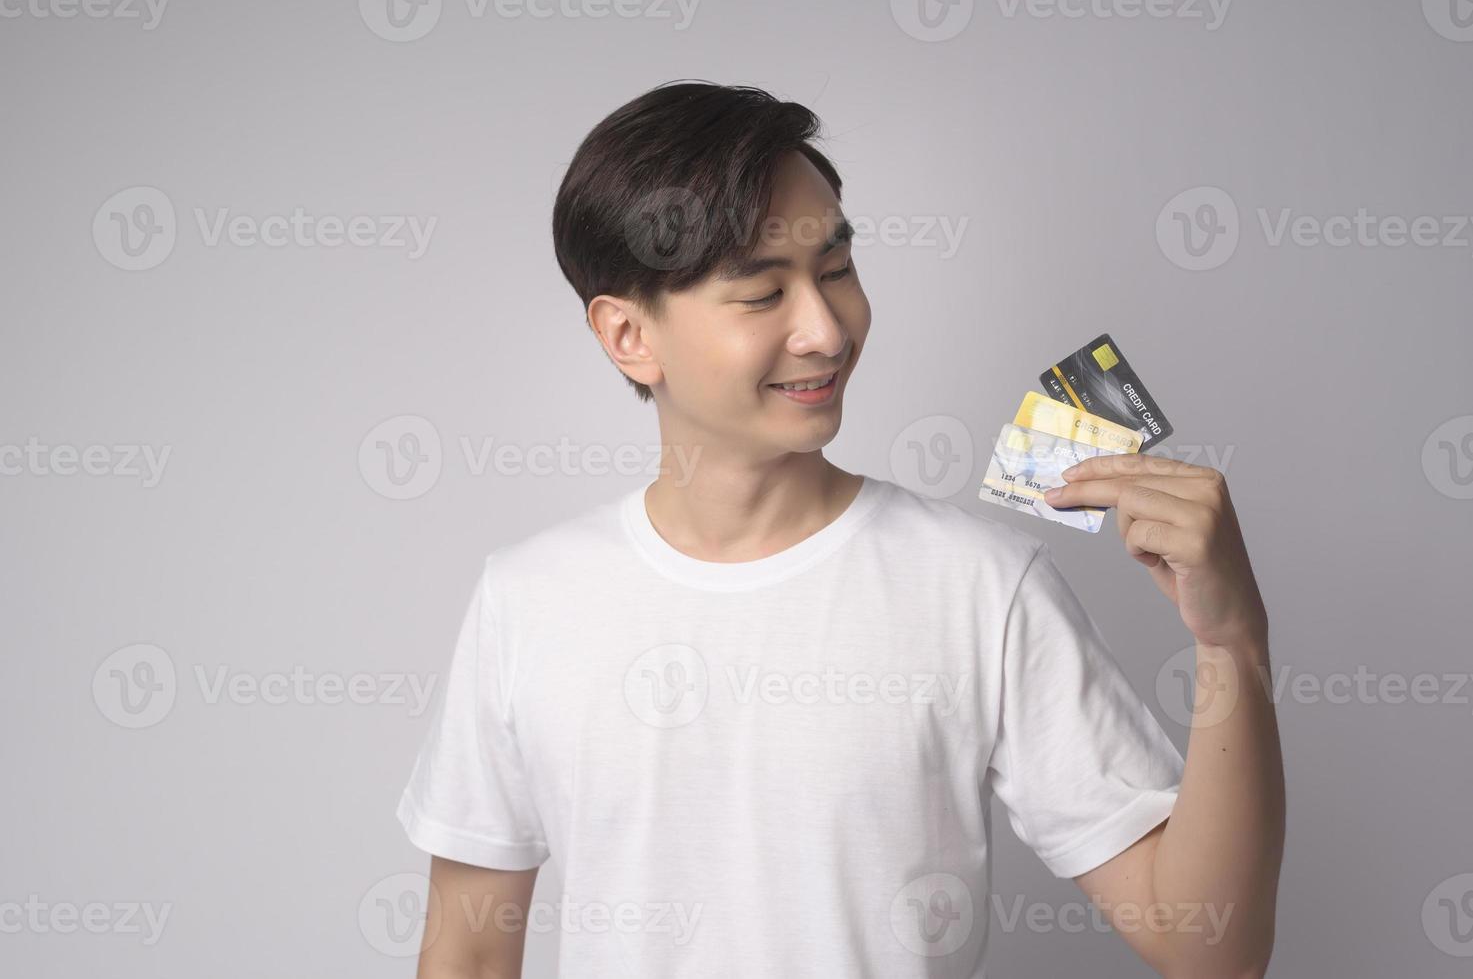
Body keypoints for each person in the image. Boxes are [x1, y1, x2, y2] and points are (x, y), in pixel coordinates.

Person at [394, 79, 1285, 978]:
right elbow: (467, 951)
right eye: (760, 294)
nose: (825, 330)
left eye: (836, 271)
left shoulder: (979, 586)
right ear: (628, 335)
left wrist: (1231, 643)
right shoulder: (529, 600)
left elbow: (1207, 947)